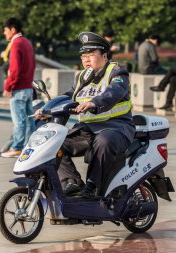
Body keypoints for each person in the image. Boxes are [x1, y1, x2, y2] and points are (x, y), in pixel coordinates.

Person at [36, 32, 135, 198]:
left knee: (103, 142)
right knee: (54, 144)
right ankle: (71, 182)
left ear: (104, 55)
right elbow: (69, 95)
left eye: (91, 55)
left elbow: (114, 92)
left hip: (116, 127)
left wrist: (95, 103)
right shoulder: (81, 76)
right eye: (83, 56)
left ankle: (93, 187)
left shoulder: (117, 73)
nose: (86, 60)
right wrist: (47, 108)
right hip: (87, 129)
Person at [0, 18, 36, 158]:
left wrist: (8, 86)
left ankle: (16, 147)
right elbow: (32, 65)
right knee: (29, 120)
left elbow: (14, 69)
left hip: (19, 88)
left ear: (13, 29)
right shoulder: (27, 42)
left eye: (5, 30)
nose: (4, 33)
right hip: (27, 87)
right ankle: (29, 146)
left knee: (19, 121)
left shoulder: (16, 43)